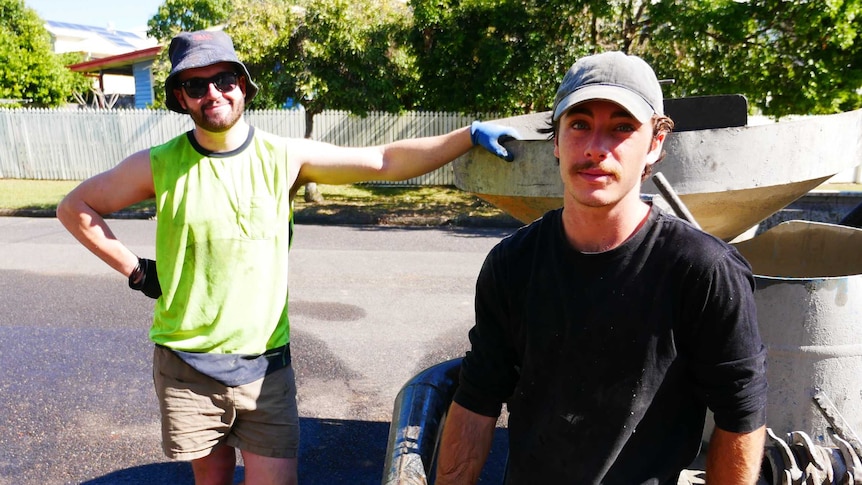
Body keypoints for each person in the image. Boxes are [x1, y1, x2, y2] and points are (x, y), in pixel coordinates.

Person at [57, 29, 519, 485]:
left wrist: (467, 136)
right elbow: (74, 207)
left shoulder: (283, 156)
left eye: (224, 80)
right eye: (196, 85)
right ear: (181, 97)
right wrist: (136, 270)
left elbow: (382, 161)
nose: (212, 93)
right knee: (210, 479)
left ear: (243, 85)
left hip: (265, 367)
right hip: (186, 364)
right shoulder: (157, 164)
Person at [435, 51, 768, 484]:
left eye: (622, 128)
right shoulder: (513, 263)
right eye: (579, 124)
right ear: (556, 140)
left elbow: (740, 414)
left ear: (654, 144)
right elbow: (478, 395)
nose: (596, 148)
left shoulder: (703, 271)